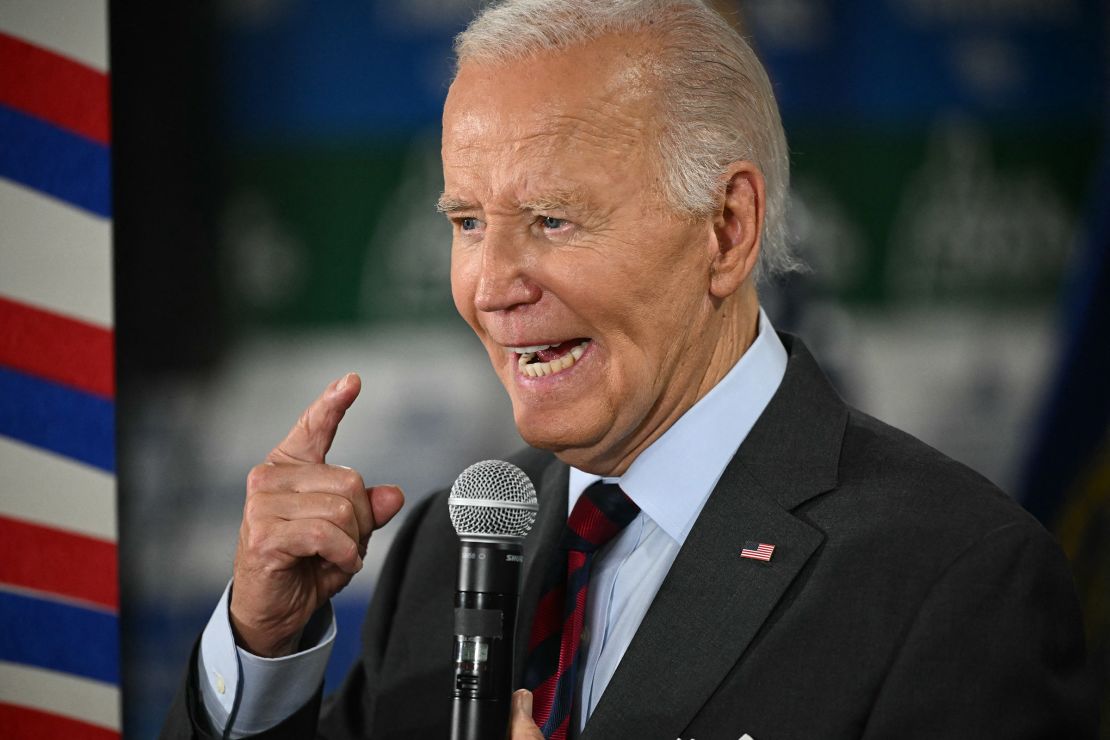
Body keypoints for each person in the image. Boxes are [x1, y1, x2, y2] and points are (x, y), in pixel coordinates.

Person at [162, 1, 1096, 738]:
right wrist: (264, 647)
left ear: (727, 230)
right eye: (467, 223)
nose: (490, 287)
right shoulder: (450, 549)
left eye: (554, 221)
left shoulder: (954, 581)